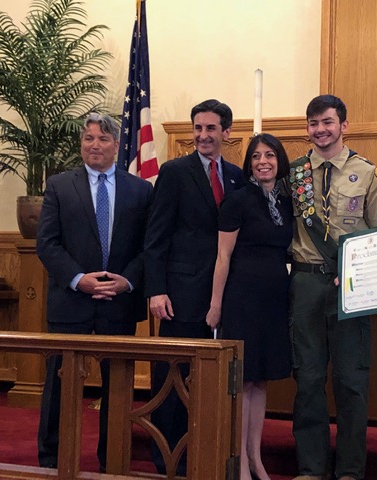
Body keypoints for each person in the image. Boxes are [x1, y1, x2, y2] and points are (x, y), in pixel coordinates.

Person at [36, 113, 153, 471]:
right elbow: (47, 243)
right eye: (88, 139)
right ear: (81, 144)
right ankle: (51, 460)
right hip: (71, 301)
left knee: (116, 388)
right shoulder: (58, 185)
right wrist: (79, 279)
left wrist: (127, 281)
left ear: (117, 145)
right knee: (59, 385)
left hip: (118, 303)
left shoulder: (140, 189)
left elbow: (149, 246)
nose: (95, 145)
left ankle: (112, 461)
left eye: (102, 139)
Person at [288, 95, 377, 480]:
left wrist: (363, 278)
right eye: (314, 123)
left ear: (343, 126)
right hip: (306, 284)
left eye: (328, 122)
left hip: (352, 288)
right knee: (309, 379)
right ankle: (311, 468)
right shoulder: (294, 174)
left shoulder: (365, 172)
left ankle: (350, 470)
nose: (320, 130)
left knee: (351, 380)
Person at [143, 99, 246, 475]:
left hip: (226, 295)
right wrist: (156, 289)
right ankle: (167, 458)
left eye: (211, 128)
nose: (203, 135)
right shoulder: (174, 172)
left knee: (214, 379)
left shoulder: (237, 176)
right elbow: (155, 236)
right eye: (198, 128)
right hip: (180, 294)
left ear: (226, 133)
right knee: (173, 379)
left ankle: (207, 450)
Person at [206, 133, 293, 480]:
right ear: (249, 164)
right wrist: (215, 305)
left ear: (279, 160)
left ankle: (256, 458)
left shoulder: (288, 202)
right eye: (256, 156)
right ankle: (239, 461)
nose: (263, 162)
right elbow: (222, 256)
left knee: (261, 381)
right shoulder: (237, 200)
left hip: (274, 299)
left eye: (269, 155)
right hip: (242, 297)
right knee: (242, 381)